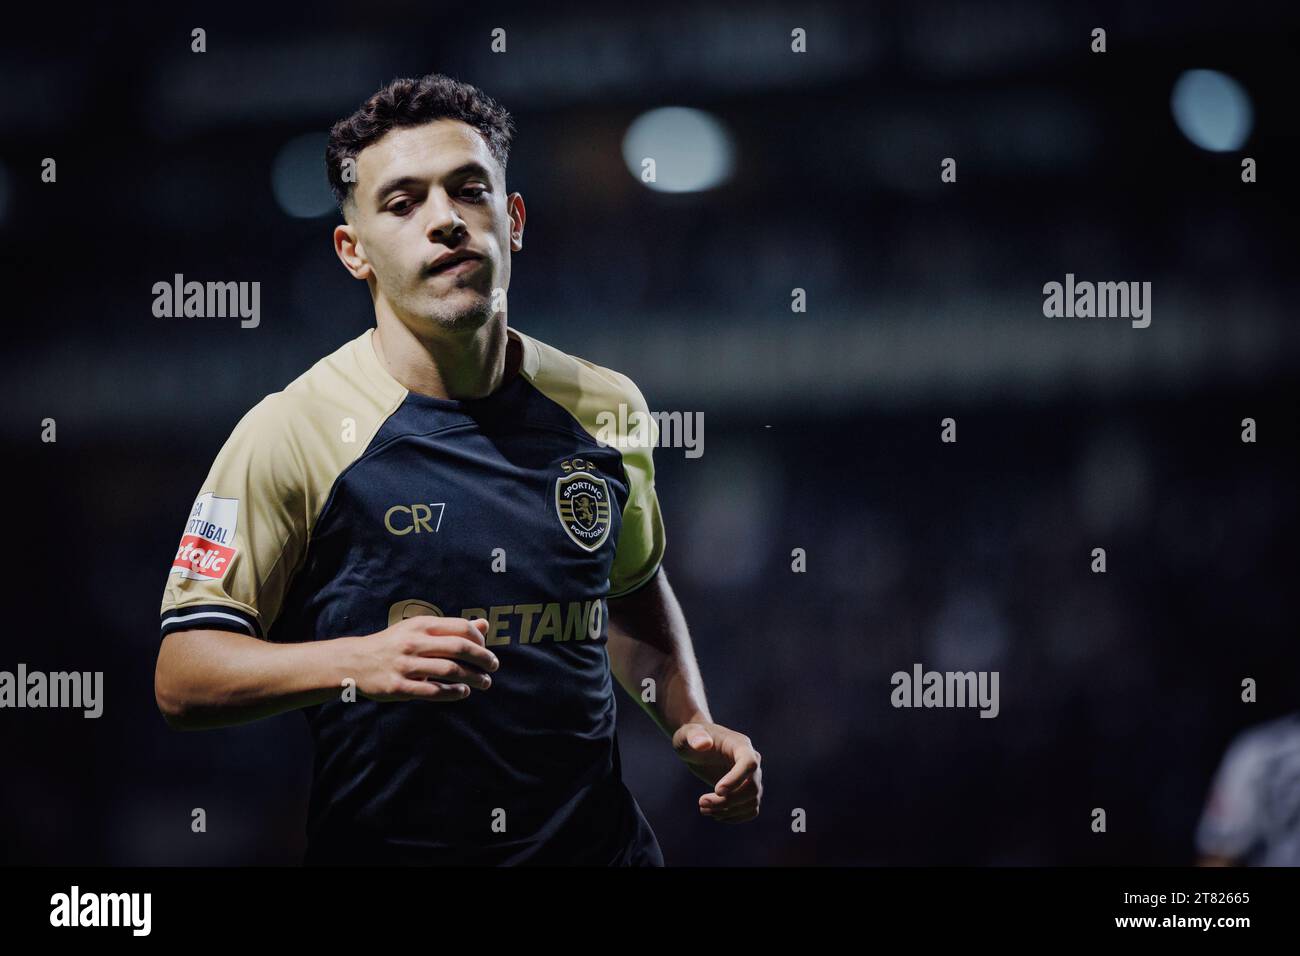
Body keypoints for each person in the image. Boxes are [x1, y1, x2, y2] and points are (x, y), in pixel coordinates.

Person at [154, 73, 762, 865]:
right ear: (354, 250)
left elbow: (627, 592)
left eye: (468, 191)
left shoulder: (607, 407)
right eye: (403, 203)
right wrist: (356, 662)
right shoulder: (290, 432)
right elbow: (183, 675)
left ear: (510, 221)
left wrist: (691, 719)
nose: (444, 220)